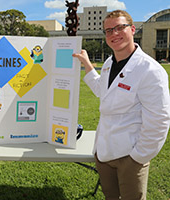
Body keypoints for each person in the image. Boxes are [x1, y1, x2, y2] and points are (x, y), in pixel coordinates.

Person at [73, 10, 170, 199]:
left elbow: (159, 121)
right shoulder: (110, 62)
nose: (113, 34)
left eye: (119, 27)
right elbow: (104, 92)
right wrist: (87, 64)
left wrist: (138, 158)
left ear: (132, 29)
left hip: (130, 156)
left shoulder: (151, 70)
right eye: (108, 30)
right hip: (104, 152)